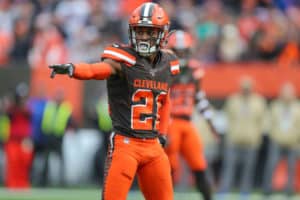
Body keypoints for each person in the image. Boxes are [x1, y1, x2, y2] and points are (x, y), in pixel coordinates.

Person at [49, 2, 178, 200]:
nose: (143, 37)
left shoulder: (168, 63)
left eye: (149, 32)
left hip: (153, 146)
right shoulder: (122, 58)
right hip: (126, 145)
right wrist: (74, 69)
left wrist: (162, 134)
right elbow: (97, 70)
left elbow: (165, 99)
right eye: (139, 31)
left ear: (163, 33)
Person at [164, 30, 218, 200]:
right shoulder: (164, 69)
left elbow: (199, 97)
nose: (180, 55)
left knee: (199, 164)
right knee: (169, 167)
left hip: (187, 123)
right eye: (177, 51)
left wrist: (211, 122)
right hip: (170, 122)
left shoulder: (194, 69)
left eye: (183, 51)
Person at [218, 77, 266, 200]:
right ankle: (224, 190)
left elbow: (262, 122)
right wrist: (228, 134)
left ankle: (245, 192)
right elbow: (226, 118)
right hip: (234, 140)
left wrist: (258, 137)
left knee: (248, 169)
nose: (246, 90)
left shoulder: (258, 102)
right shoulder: (233, 100)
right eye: (244, 88)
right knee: (229, 167)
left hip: (251, 141)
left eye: (248, 88)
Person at [263, 82, 300, 196]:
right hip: (277, 141)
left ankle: (289, 190)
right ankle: (267, 189)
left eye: (289, 93)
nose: (287, 95)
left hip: (293, 142)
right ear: (281, 94)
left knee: (291, 167)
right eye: (285, 93)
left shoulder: (298, 107)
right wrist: (273, 136)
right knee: (271, 165)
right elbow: (268, 123)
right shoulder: (275, 106)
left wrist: (297, 138)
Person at [41, 89, 75, 186]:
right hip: (49, 136)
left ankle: (62, 182)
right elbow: (45, 120)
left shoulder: (65, 107)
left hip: (59, 137)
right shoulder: (50, 106)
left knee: (60, 160)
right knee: (46, 160)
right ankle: (44, 181)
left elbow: (70, 120)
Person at [4, 83, 33, 188]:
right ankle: (12, 185)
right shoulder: (12, 108)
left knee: (24, 164)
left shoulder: (28, 108)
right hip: (13, 140)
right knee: (13, 163)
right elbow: (9, 116)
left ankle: (23, 185)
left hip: (24, 140)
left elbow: (28, 116)